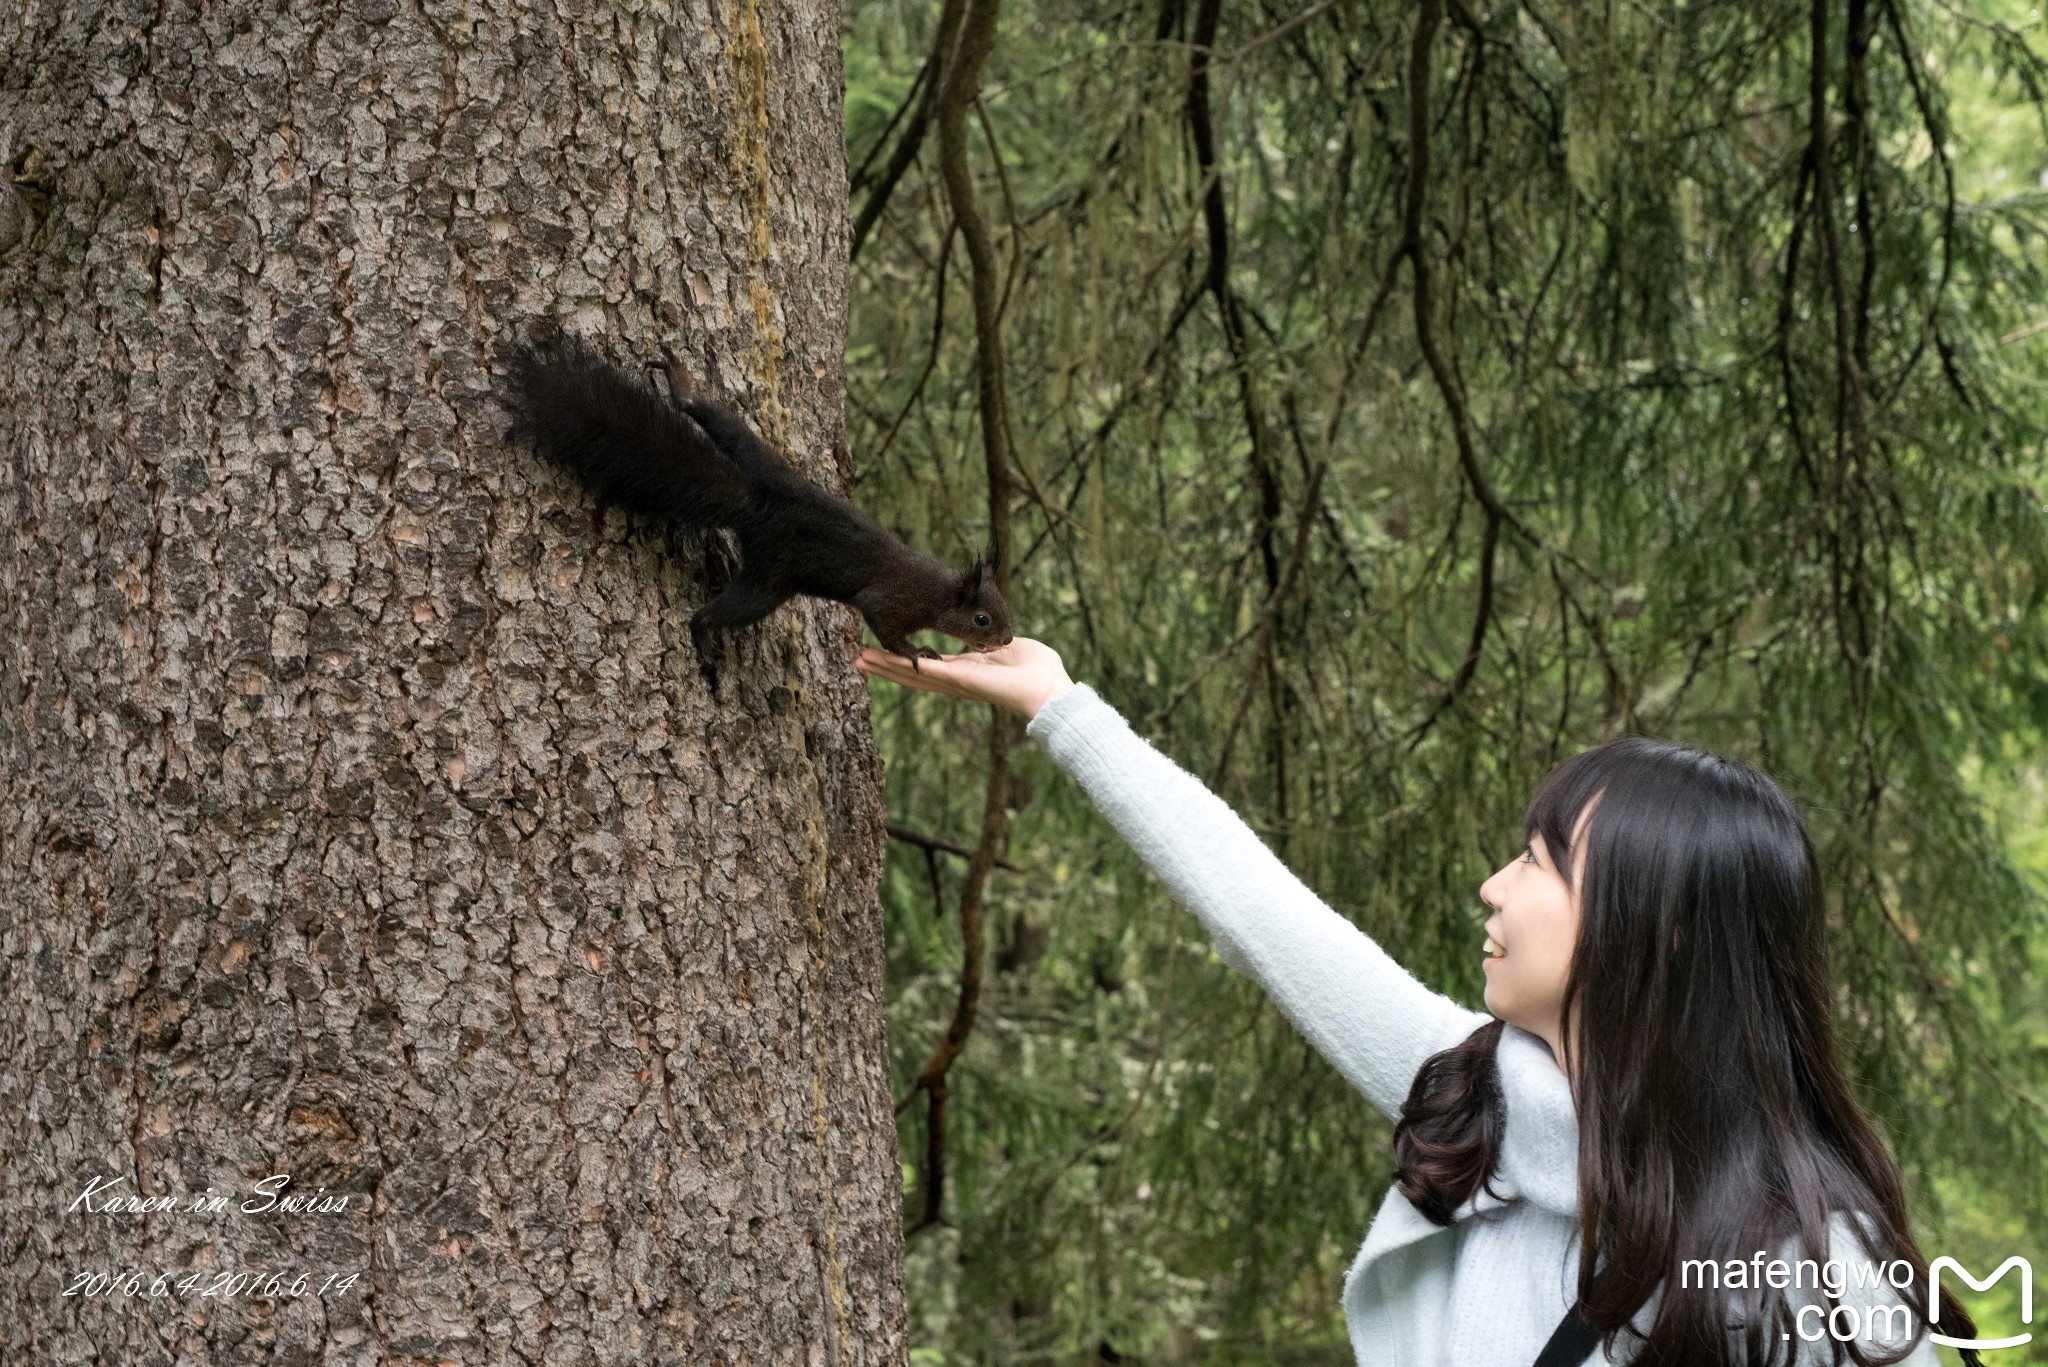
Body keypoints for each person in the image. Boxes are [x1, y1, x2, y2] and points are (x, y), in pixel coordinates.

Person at [855, 639, 1983, 1367]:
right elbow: (1263, 916)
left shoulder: (1812, 1274)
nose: (1493, 885)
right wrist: (1059, 705)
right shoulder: (1478, 1096)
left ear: (1658, 927)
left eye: (1539, 861)